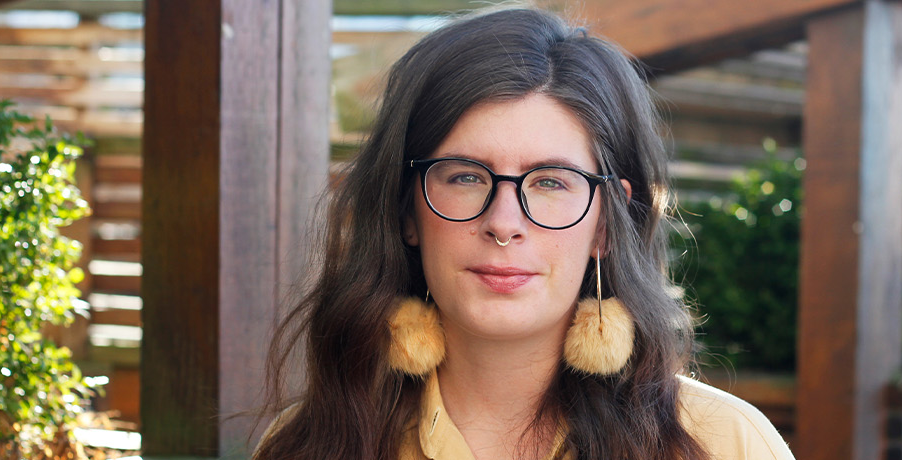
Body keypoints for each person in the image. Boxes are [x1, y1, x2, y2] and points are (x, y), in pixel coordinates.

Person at [252, 7, 794, 460]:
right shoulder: (306, 445)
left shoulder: (724, 444)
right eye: (465, 176)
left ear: (606, 224)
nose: (505, 224)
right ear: (405, 212)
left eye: (552, 182)